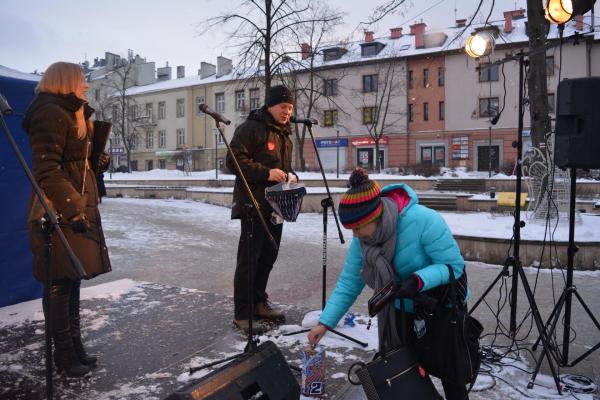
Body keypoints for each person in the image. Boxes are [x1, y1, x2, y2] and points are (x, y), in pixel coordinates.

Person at [308, 168, 470, 400]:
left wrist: (417, 280)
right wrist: (325, 323)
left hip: (441, 309)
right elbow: (349, 283)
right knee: (406, 374)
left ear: (374, 217)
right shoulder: (364, 241)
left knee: (450, 372)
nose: (355, 236)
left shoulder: (423, 220)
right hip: (401, 311)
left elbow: (453, 266)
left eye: (357, 228)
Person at [22, 62, 112, 377]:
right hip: (55, 211)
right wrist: (73, 207)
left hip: (73, 206)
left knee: (72, 279)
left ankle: (75, 348)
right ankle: (64, 355)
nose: (86, 86)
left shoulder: (72, 113)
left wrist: (97, 161)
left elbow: (75, 164)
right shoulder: (49, 112)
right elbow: (46, 170)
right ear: (66, 81)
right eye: (82, 80)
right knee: (60, 282)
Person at [226, 85, 297, 334]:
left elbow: (280, 168)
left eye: (290, 108)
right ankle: (243, 313)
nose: (287, 112)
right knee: (249, 260)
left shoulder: (284, 134)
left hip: (276, 207)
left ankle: (259, 302)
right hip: (253, 205)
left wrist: (290, 176)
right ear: (270, 105)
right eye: (283, 107)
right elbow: (233, 160)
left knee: (268, 257)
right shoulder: (251, 128)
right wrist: (267, 173)